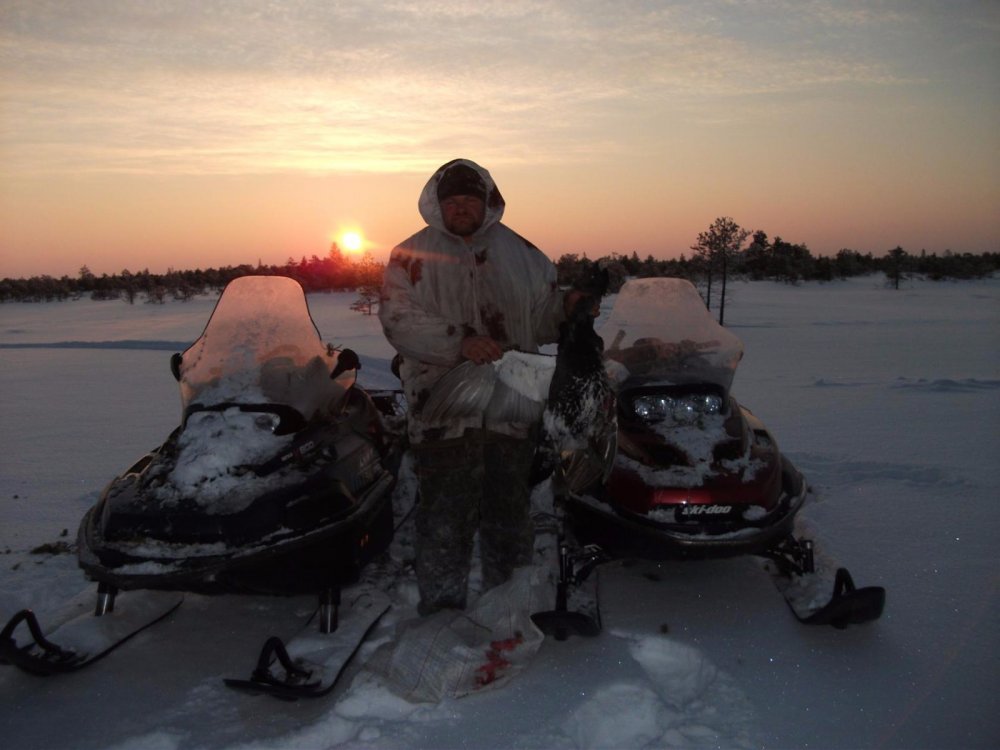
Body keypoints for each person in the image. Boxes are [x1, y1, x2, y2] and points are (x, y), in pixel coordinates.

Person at [379, 158, 577, 615]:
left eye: (470, 199)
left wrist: (569, 309)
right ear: (437, 205)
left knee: (509, 514)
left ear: (488, 203)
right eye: (453, 201)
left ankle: (507, 608)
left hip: (511, 409)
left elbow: (543, 318)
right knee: (445, 516)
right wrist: (459, 343)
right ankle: (442, 610)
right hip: (442, 409)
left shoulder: (525, 255)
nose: (462, 208)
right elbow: (398, 321)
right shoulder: (409, 257)